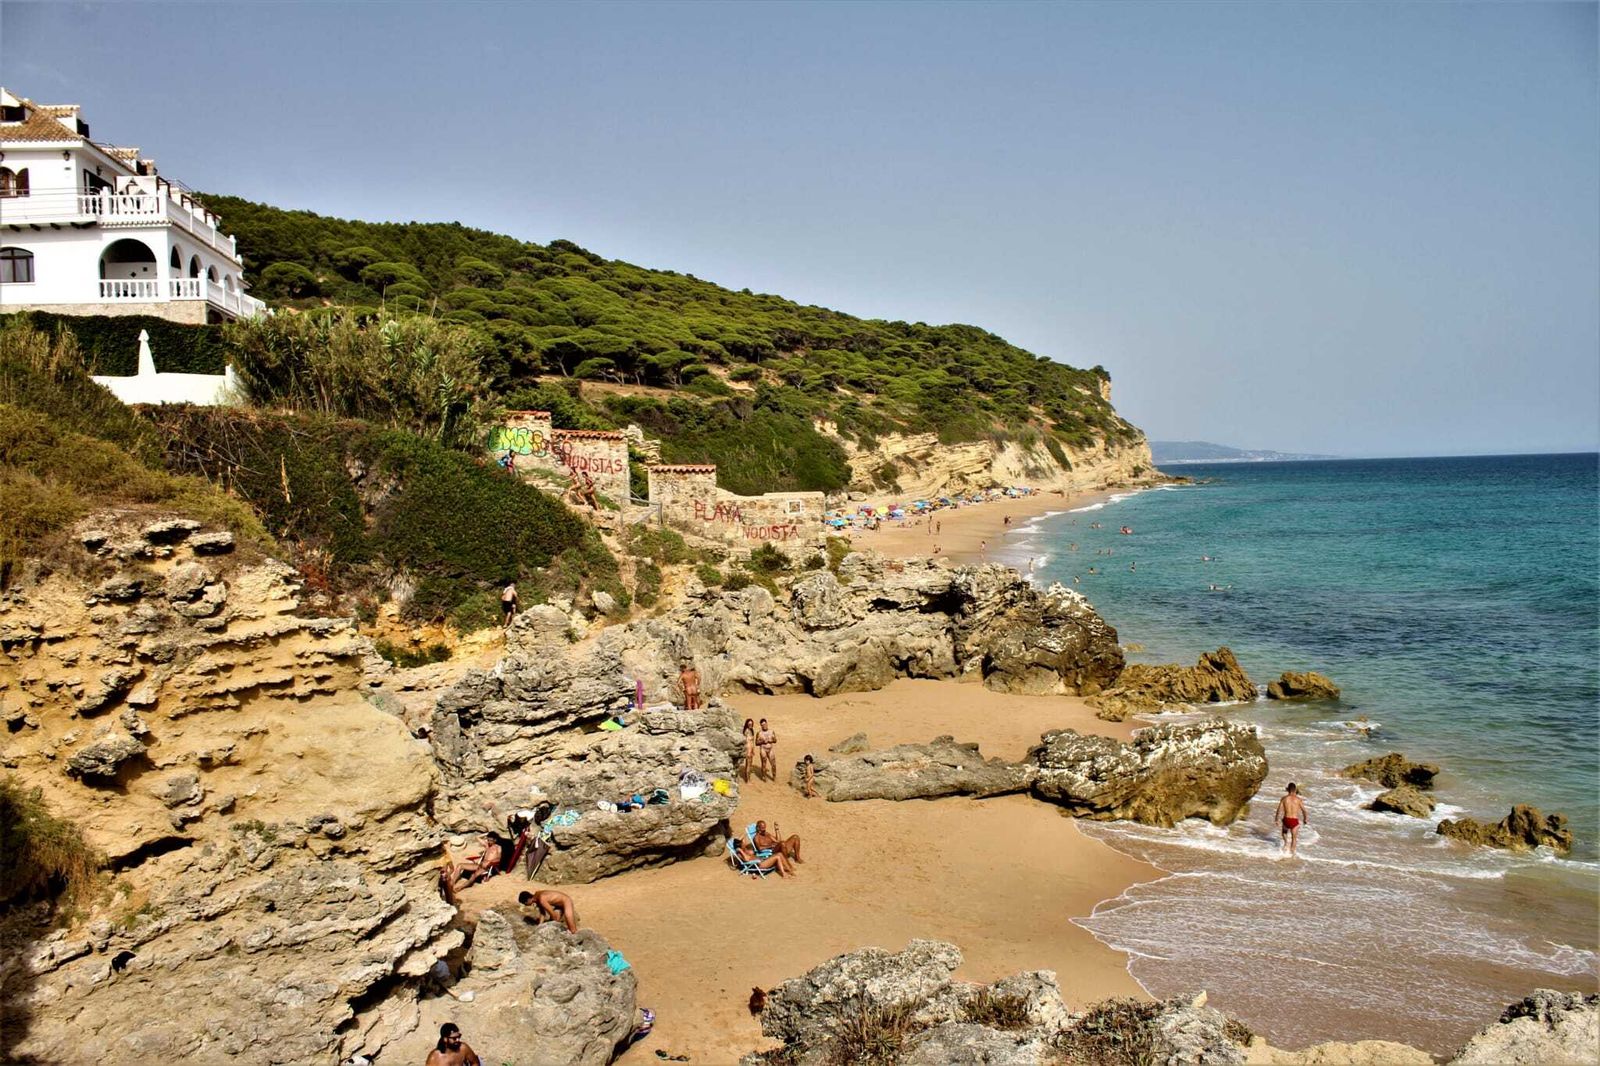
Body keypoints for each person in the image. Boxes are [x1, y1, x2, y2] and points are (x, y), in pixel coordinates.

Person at [1276, 782, 1309, 857]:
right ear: (1295, 790)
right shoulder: (1299, 800)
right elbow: (1304, 810)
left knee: (1284, 833)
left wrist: (1276, 819)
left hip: (1286, 820)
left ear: (1288, 789)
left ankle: (1286, 843)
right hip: (1294, 821)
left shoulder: (1284, 799)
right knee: (1294, 838)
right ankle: (1292, 853)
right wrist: (1305, 819)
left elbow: (1279, 810)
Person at [741, 718, 757, 783]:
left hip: (751, 749)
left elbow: (752, 742)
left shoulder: (751, 730)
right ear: (747, 724)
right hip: (748, 750)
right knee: (748, 765)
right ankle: (748, 780)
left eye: (751, 724)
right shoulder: (747, 731)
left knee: (750, 765)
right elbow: (746, 741)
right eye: (749, 724)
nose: (750, 725)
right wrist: (748, 751)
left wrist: (753, 750)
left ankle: (748, 778)